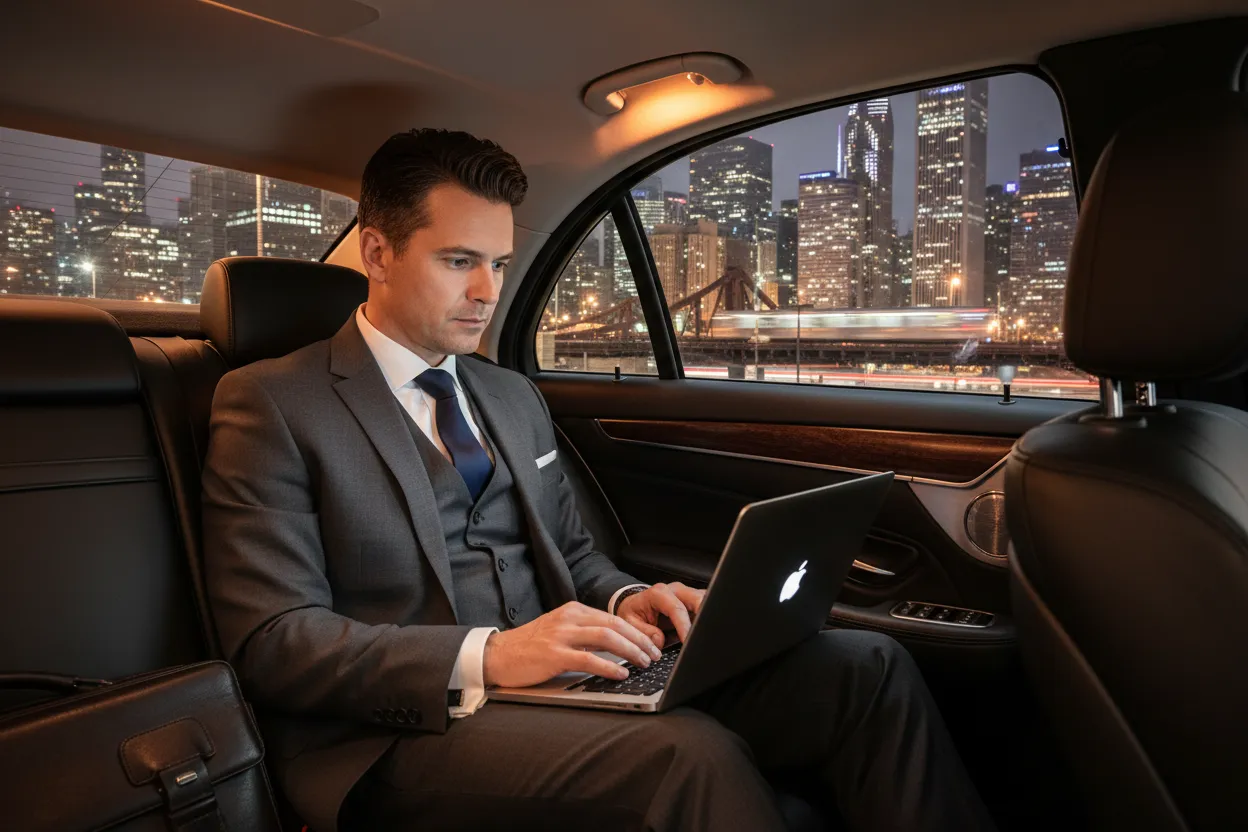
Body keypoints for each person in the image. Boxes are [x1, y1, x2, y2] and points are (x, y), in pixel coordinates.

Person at [202, 128, 996, 832]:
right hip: (399, 733)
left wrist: (626, 599)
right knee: (690, 756)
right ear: (377, 252)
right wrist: (491, 655)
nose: (487, 291)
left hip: (567, 684)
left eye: (500, 264)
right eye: (458, 262)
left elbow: (576, 557)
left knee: (866, 667)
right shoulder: (272, 402)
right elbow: (274, 642)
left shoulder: (509, 395)